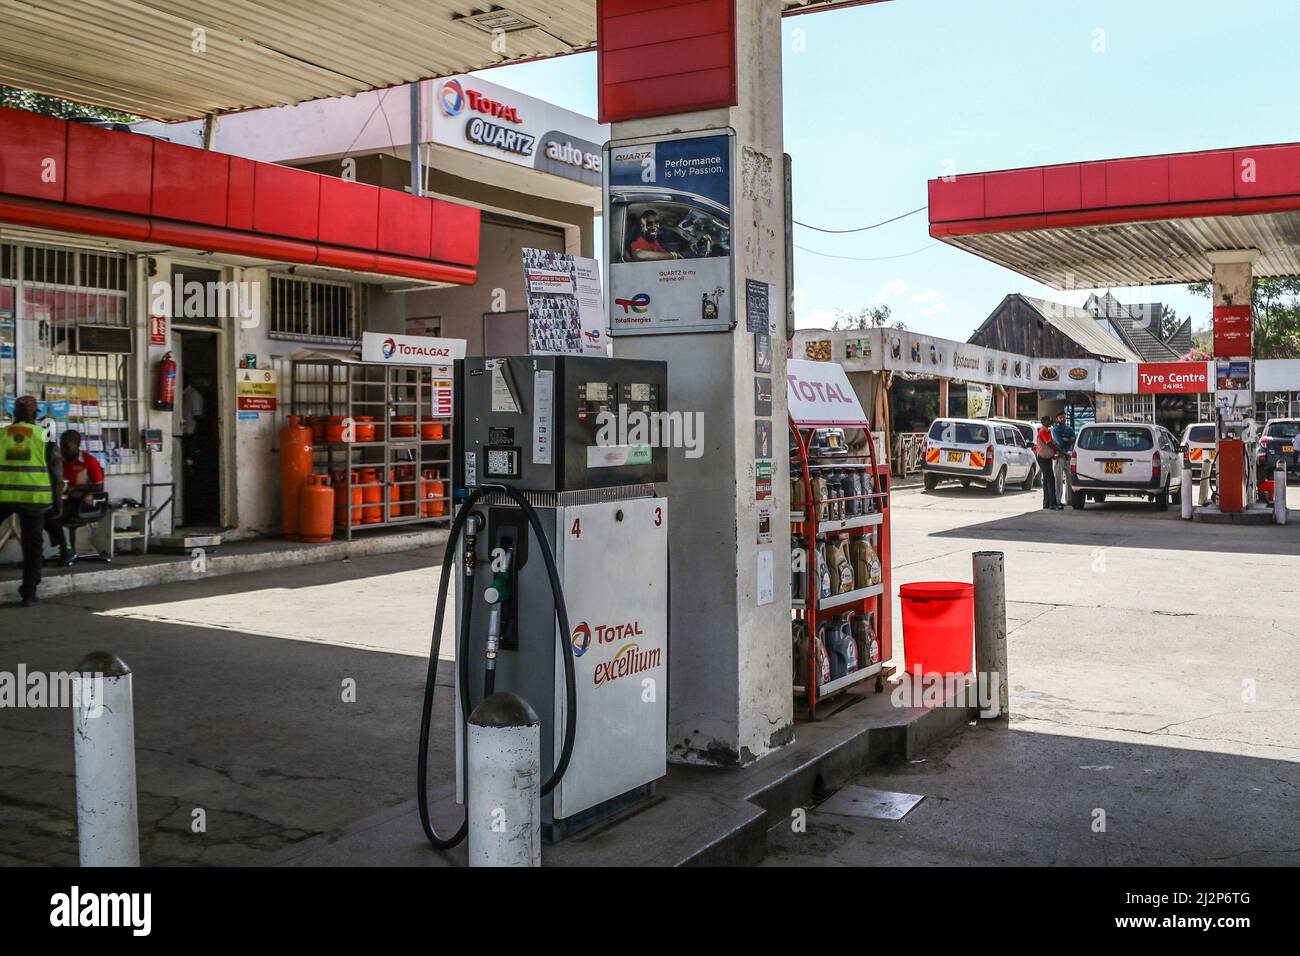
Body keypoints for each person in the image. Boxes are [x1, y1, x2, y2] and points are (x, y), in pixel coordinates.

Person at [0, 396, 63, 606]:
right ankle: (29, 592)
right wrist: (58, 502)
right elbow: (55, 472)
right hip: (35, 499)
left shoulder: (2, 435)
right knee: (32, 545)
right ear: (35, 414)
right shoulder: (44, 435)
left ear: (13, 415)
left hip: (3, 497)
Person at [45, 429, 104, 566]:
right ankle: (65, 548)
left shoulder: (89, 461)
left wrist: (75, 488)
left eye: (67, 446)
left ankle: (65, 548)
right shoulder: (58, 461)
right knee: (43, 512)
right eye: (61, 445)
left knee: (52, 514)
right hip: (64, 501)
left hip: (83, 503)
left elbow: (99, 487)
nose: (63, 450)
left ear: (77, 445)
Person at [1035, 415, 1061, 510]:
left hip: (1047, 458)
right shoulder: (1043, 432)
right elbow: (1050, 444)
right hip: (1043, 459)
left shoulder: (1047, 431)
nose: (1051, 422)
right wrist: (1060, 452)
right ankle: (1052, 504)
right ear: (1044, 422)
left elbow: (1052, 444)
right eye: (1049, 421)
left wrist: (1054, 453)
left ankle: (1047, 503)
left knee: (1047, 481)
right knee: (1050, 480)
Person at [1051, 412, 1077, 507]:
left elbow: (1075, 438)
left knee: (1070, 480)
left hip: (1069, 457)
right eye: (1060, 417)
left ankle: (1069, 500)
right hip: (1059, 457)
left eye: (1063, 417)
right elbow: (1060, 442)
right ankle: (1057, 499)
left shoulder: (1069, 428)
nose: (1062, 419)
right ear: (1057, 419)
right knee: (1058, 480)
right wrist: (1067, 439)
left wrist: (1067, 439)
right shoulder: (1055, 430)